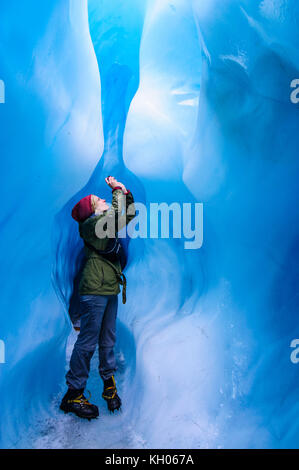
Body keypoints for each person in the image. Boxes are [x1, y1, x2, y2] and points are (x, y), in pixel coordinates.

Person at [60, 176, 136, 420]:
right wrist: (115, 191)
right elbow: (114, 217)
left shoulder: (103, 222)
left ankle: (108, 381)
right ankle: (74, 393)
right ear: (91, 210)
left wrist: (126, 193)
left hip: (108, 287)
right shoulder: (91, 227)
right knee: (88, 341)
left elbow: (128, 216)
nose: (101, 199)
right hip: (95, 289)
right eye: (97, 200)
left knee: (108, 338)